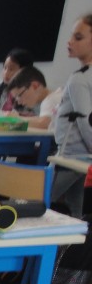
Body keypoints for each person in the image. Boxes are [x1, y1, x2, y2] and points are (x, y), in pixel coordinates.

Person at [52, 13, 92, 215]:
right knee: (75, 205)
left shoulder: (79, 79)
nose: (70, 42)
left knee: (38, 200)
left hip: (71, 156)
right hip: (81, 156)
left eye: (78, 37)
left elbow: (86, 121)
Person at [8, 66, 63, 131]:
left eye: (19, 96)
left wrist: (17, 119)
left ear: (35, 86)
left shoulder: (49, 100)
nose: (19, 102)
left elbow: (44, 123)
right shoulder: (57, 94)